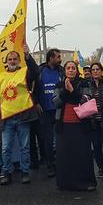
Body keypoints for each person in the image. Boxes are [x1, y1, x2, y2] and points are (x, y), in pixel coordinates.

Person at [0, 47, 40, 185]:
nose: (12, 61)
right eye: (10, 59)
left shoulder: (25, 72)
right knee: (6, 148)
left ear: (19, 61)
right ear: (6, 62)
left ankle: (25, 172)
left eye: (15, 59)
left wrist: (27, 55)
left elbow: (36, 72)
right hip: (6, 118)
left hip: (23, 117)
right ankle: (6, 172)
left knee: (24, 147)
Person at [53, 61, 97, 191]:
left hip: (80, 125)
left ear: (77, 70)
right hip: (64, 125)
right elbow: (56, 102)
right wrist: (66, 92)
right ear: (65, 71)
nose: (71, 70)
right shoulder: (59, 85)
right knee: (64, 155)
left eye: (73, 68)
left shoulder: (84, 83)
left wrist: (73, 91)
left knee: (82, 154)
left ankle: (86, 182)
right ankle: (65, 183)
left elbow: (86, 100)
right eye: (68, 68)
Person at [36, 49, 63, 177]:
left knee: (60, 138)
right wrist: (36, 102)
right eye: (58, 57)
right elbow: (33, 88)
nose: (60, 59)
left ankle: (62, 163)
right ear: (50, 58)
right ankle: (50, 165)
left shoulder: (61, 71)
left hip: (59, 110)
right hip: (45, 111)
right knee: (47, 140)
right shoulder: (40, 71)